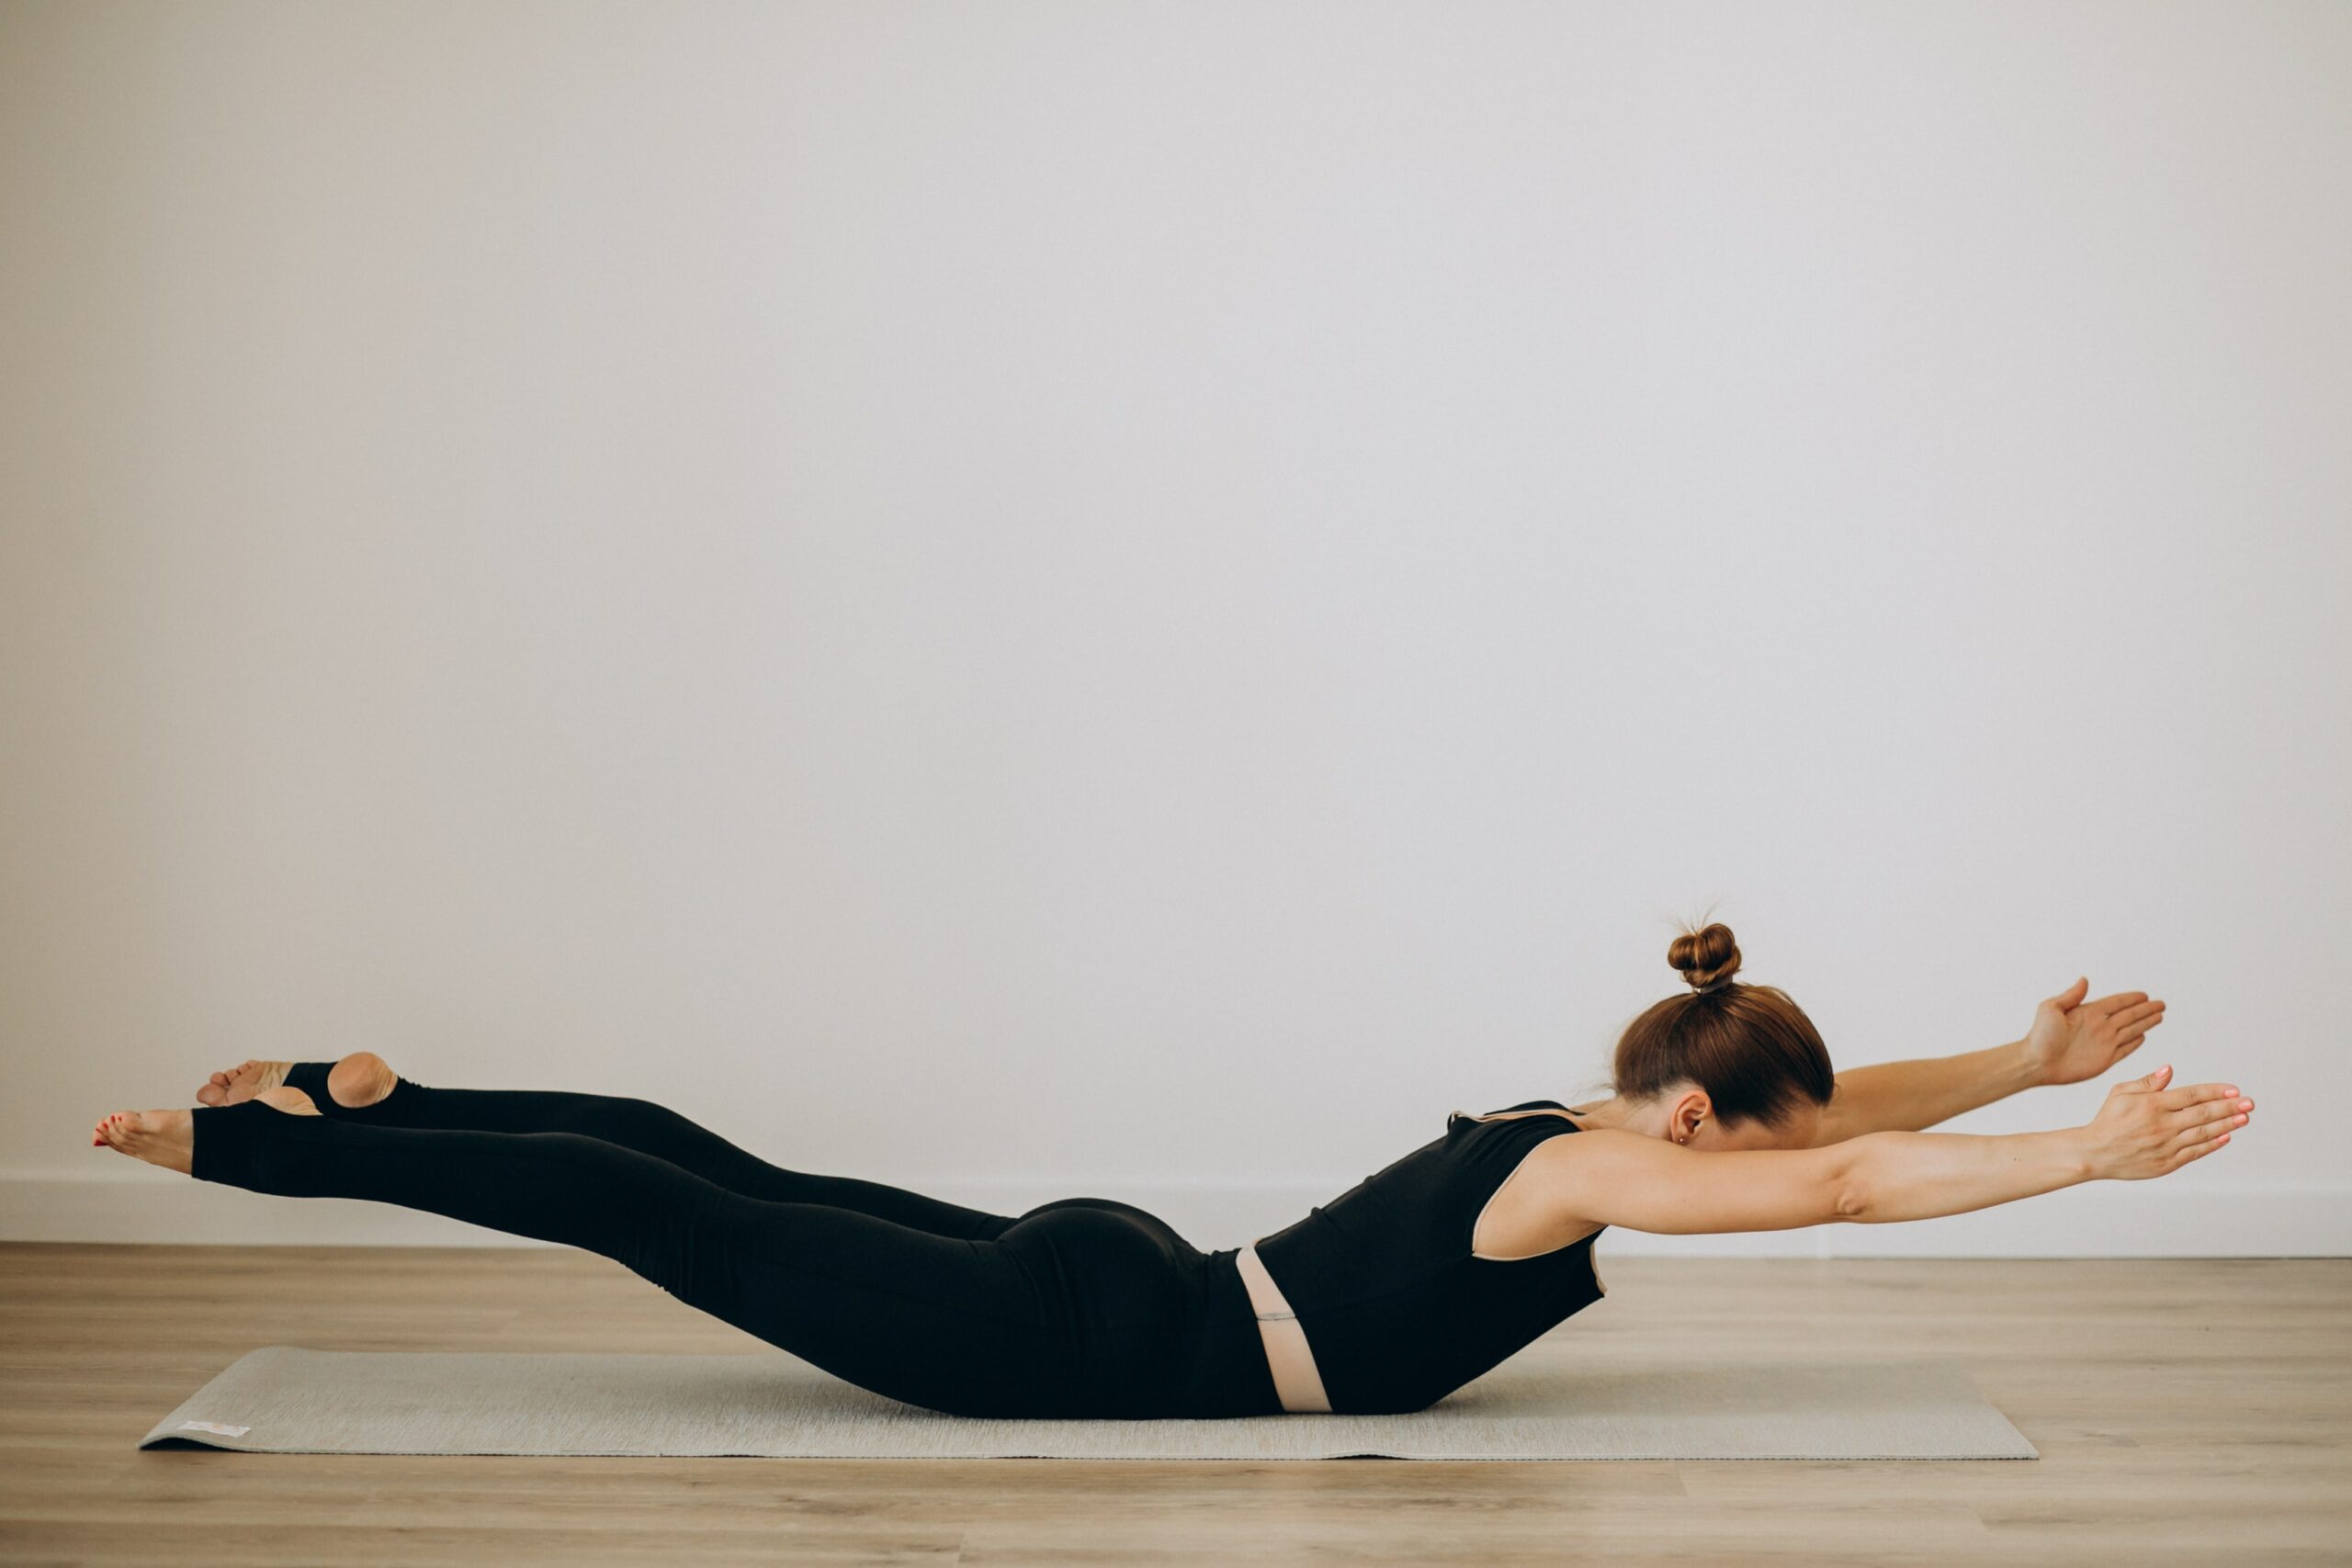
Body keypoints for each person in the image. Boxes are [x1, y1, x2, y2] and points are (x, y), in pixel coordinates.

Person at [90, 921, 2251, 1419]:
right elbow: (1848, 1181)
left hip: (1125, 1271)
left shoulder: (1591, 1113)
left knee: (690, 1167)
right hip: (1086, 1320)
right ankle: (256, 1140)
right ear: (1701, 1118)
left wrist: (2020, 1060)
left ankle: (353, 1097)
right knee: (666, 1196)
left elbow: (1841, 1119)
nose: (1776, 1169)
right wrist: (2081, 1148)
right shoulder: (1615, 1178)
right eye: (1750, 1150)